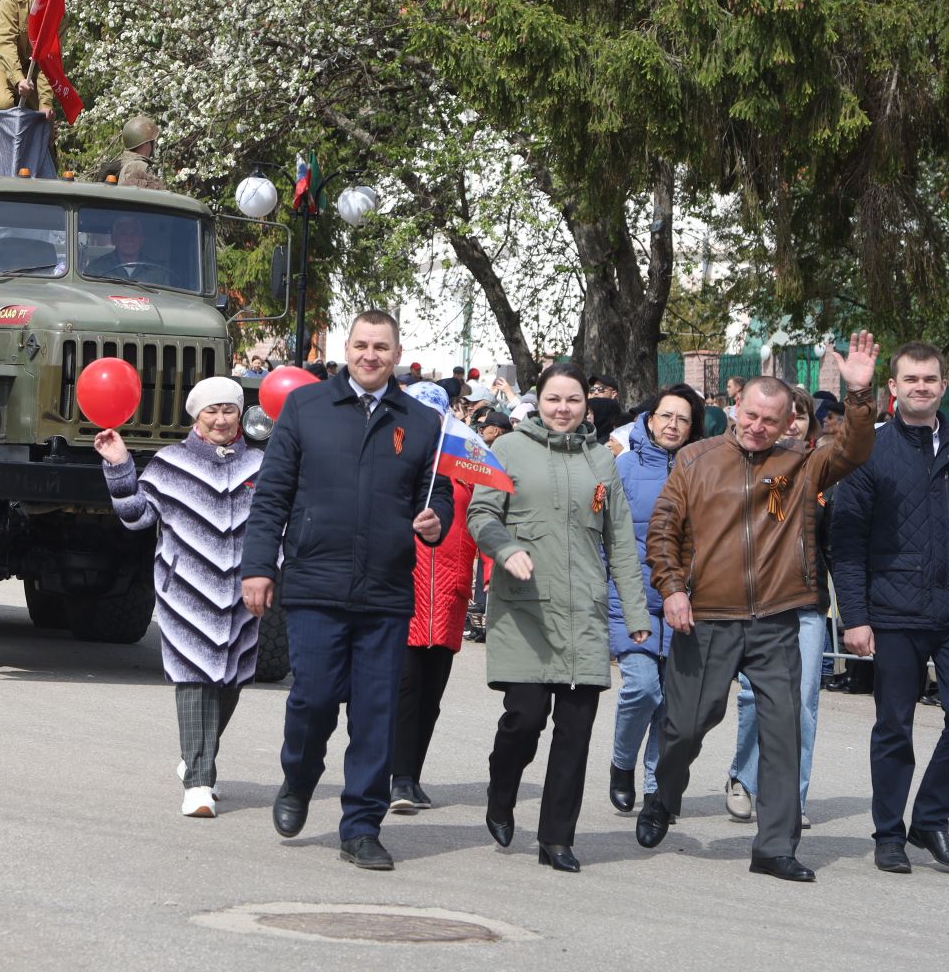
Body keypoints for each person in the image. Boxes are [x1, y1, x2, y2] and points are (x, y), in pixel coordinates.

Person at [638, 335, 880, 884]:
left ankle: (774, 846)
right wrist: (673, 588)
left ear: (788, 421)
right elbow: (662, 533)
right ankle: (664, 795)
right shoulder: (695, 460)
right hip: (707, 617)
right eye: (750, 415)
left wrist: (861, 393)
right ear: (735, 406)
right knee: (688, 725)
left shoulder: (801, 465)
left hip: (776, 619)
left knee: (782, 730)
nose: (758, 428)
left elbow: (854, 451)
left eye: (771, 421)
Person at [239, 309, 452, 872]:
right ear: (347, 348)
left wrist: (437, 521)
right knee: (311, 700)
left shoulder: (423, 423)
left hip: (385, 592)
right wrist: (258, 567)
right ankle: (299, 779)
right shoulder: (307, 409)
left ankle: (361, 826)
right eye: (362, 344)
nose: (371, 355)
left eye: (382, 347)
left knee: (375, 714)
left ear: (397, 353)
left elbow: (440, 495)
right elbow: (272, 496)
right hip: (315, 584)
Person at [827, 342, 949, 875]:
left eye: (930, 379)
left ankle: (931, 818)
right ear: (894, 388)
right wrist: (855, 617)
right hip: (894, 610)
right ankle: (889, 833)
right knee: (894, 725)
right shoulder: (869, 451)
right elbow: (847, 541)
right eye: (911, 380)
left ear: (943, 386)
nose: (921, 387)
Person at [468, 362, 646, 873]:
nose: (563, 408)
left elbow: (620, 544)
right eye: (553, 400)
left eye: (573, 400)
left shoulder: (602, 460)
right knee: (524, 719)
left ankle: (557, 839)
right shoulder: (506, 450)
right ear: (538, 403)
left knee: (576, 730)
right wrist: (505, 548)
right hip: (525, 610)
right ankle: (502, 790)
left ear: (586, 406)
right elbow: (481, 516)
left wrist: (634, 613)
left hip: (583, 613)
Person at [96, 377, 265, 818]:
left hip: (243, 594)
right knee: (194, 676)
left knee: (230, 679)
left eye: (229, 410)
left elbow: (278, 525)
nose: (221, 419)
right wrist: (118, 466)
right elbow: (136, 517)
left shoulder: (261, 466)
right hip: (185, 591)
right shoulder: (170, 464)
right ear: (196, 416)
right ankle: (199, 782)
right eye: (211, 411)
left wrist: (272, 569)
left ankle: (196, 754)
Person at [725, 383, 829, 832]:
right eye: (783, 416)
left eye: (799, 417)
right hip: (752, 601)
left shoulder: (822, 470)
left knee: (802, 701)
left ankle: (791, 796)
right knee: (755, 694)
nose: (789, 425)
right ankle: (744, 778)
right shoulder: (743, 462)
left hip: (805, 601)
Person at [607, 385, 701, 816]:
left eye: (682, 419)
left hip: (684, 604)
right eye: (666, 416)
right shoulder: (623, 468)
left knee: (671, 702)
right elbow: (603, 536)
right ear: (649, 419)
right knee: (642, 688)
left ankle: (653, 787)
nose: (672, 425)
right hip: (633, 600)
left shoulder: (702, 469)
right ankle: (622, 763)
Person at [387, 382, 477, 818]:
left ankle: (412, 774)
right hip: (406, 584)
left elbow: (480, 522)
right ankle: (397, 775)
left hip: (450, 589)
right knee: (404, 685)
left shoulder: (463, 466)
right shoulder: (397, 457)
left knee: (431, 693)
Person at [84, 214, 172, 285]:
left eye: (134, 233)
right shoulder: (96, 269)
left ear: (141, 239)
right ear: (114, 239)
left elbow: (166, 303)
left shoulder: (158, 273)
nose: (129, 239)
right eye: (123, 233)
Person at [113, 117, 166, 191]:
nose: (155, 144)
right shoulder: (137, 166)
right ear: (147, 142)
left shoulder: (132, 164)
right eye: (153, 140)